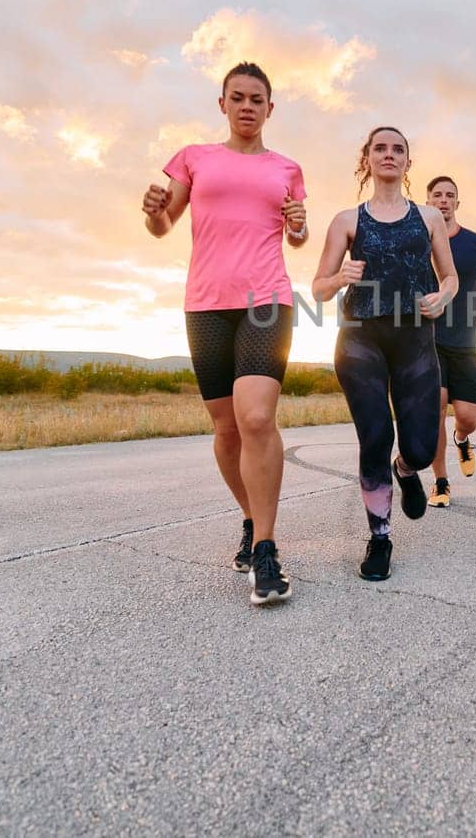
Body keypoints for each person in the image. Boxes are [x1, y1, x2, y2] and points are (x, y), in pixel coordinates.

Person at [142, 61, 309, 607]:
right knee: (226, 428)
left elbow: (297, 236)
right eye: (236, 97)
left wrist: (300, 229)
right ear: (222, 104)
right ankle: (249, 515)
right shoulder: (194, 158)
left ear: (269, 108)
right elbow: (164, 225)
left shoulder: (287, 168)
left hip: (266, 300)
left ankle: (266, 549)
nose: (246, 106)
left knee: (256, 417)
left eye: (256, 99)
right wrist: (152, 214)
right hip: (206, 304)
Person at [313, 126, 458, 582]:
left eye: (398, 149)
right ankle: (379, 538)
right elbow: (317, 288)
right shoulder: (346, 220)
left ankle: (406, 469)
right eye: (381, 148)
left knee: (417, 446)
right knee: (374, 437)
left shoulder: (431, 218)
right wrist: (340, 277)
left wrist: (443, 297)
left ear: (408, 163)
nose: (389, 154)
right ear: (368, 160)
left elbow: (450, 277)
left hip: (415, 338)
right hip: (360, 338)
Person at [425, 175, 476, 506]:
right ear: (427, 202)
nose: (443, 200)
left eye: (450, 196)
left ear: (457, 203)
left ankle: (462, 439)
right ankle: (441, 483)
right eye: (437, 195)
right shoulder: (418, 241)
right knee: (435, 410)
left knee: (468, 417)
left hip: (465, 341)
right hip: (427, 341)